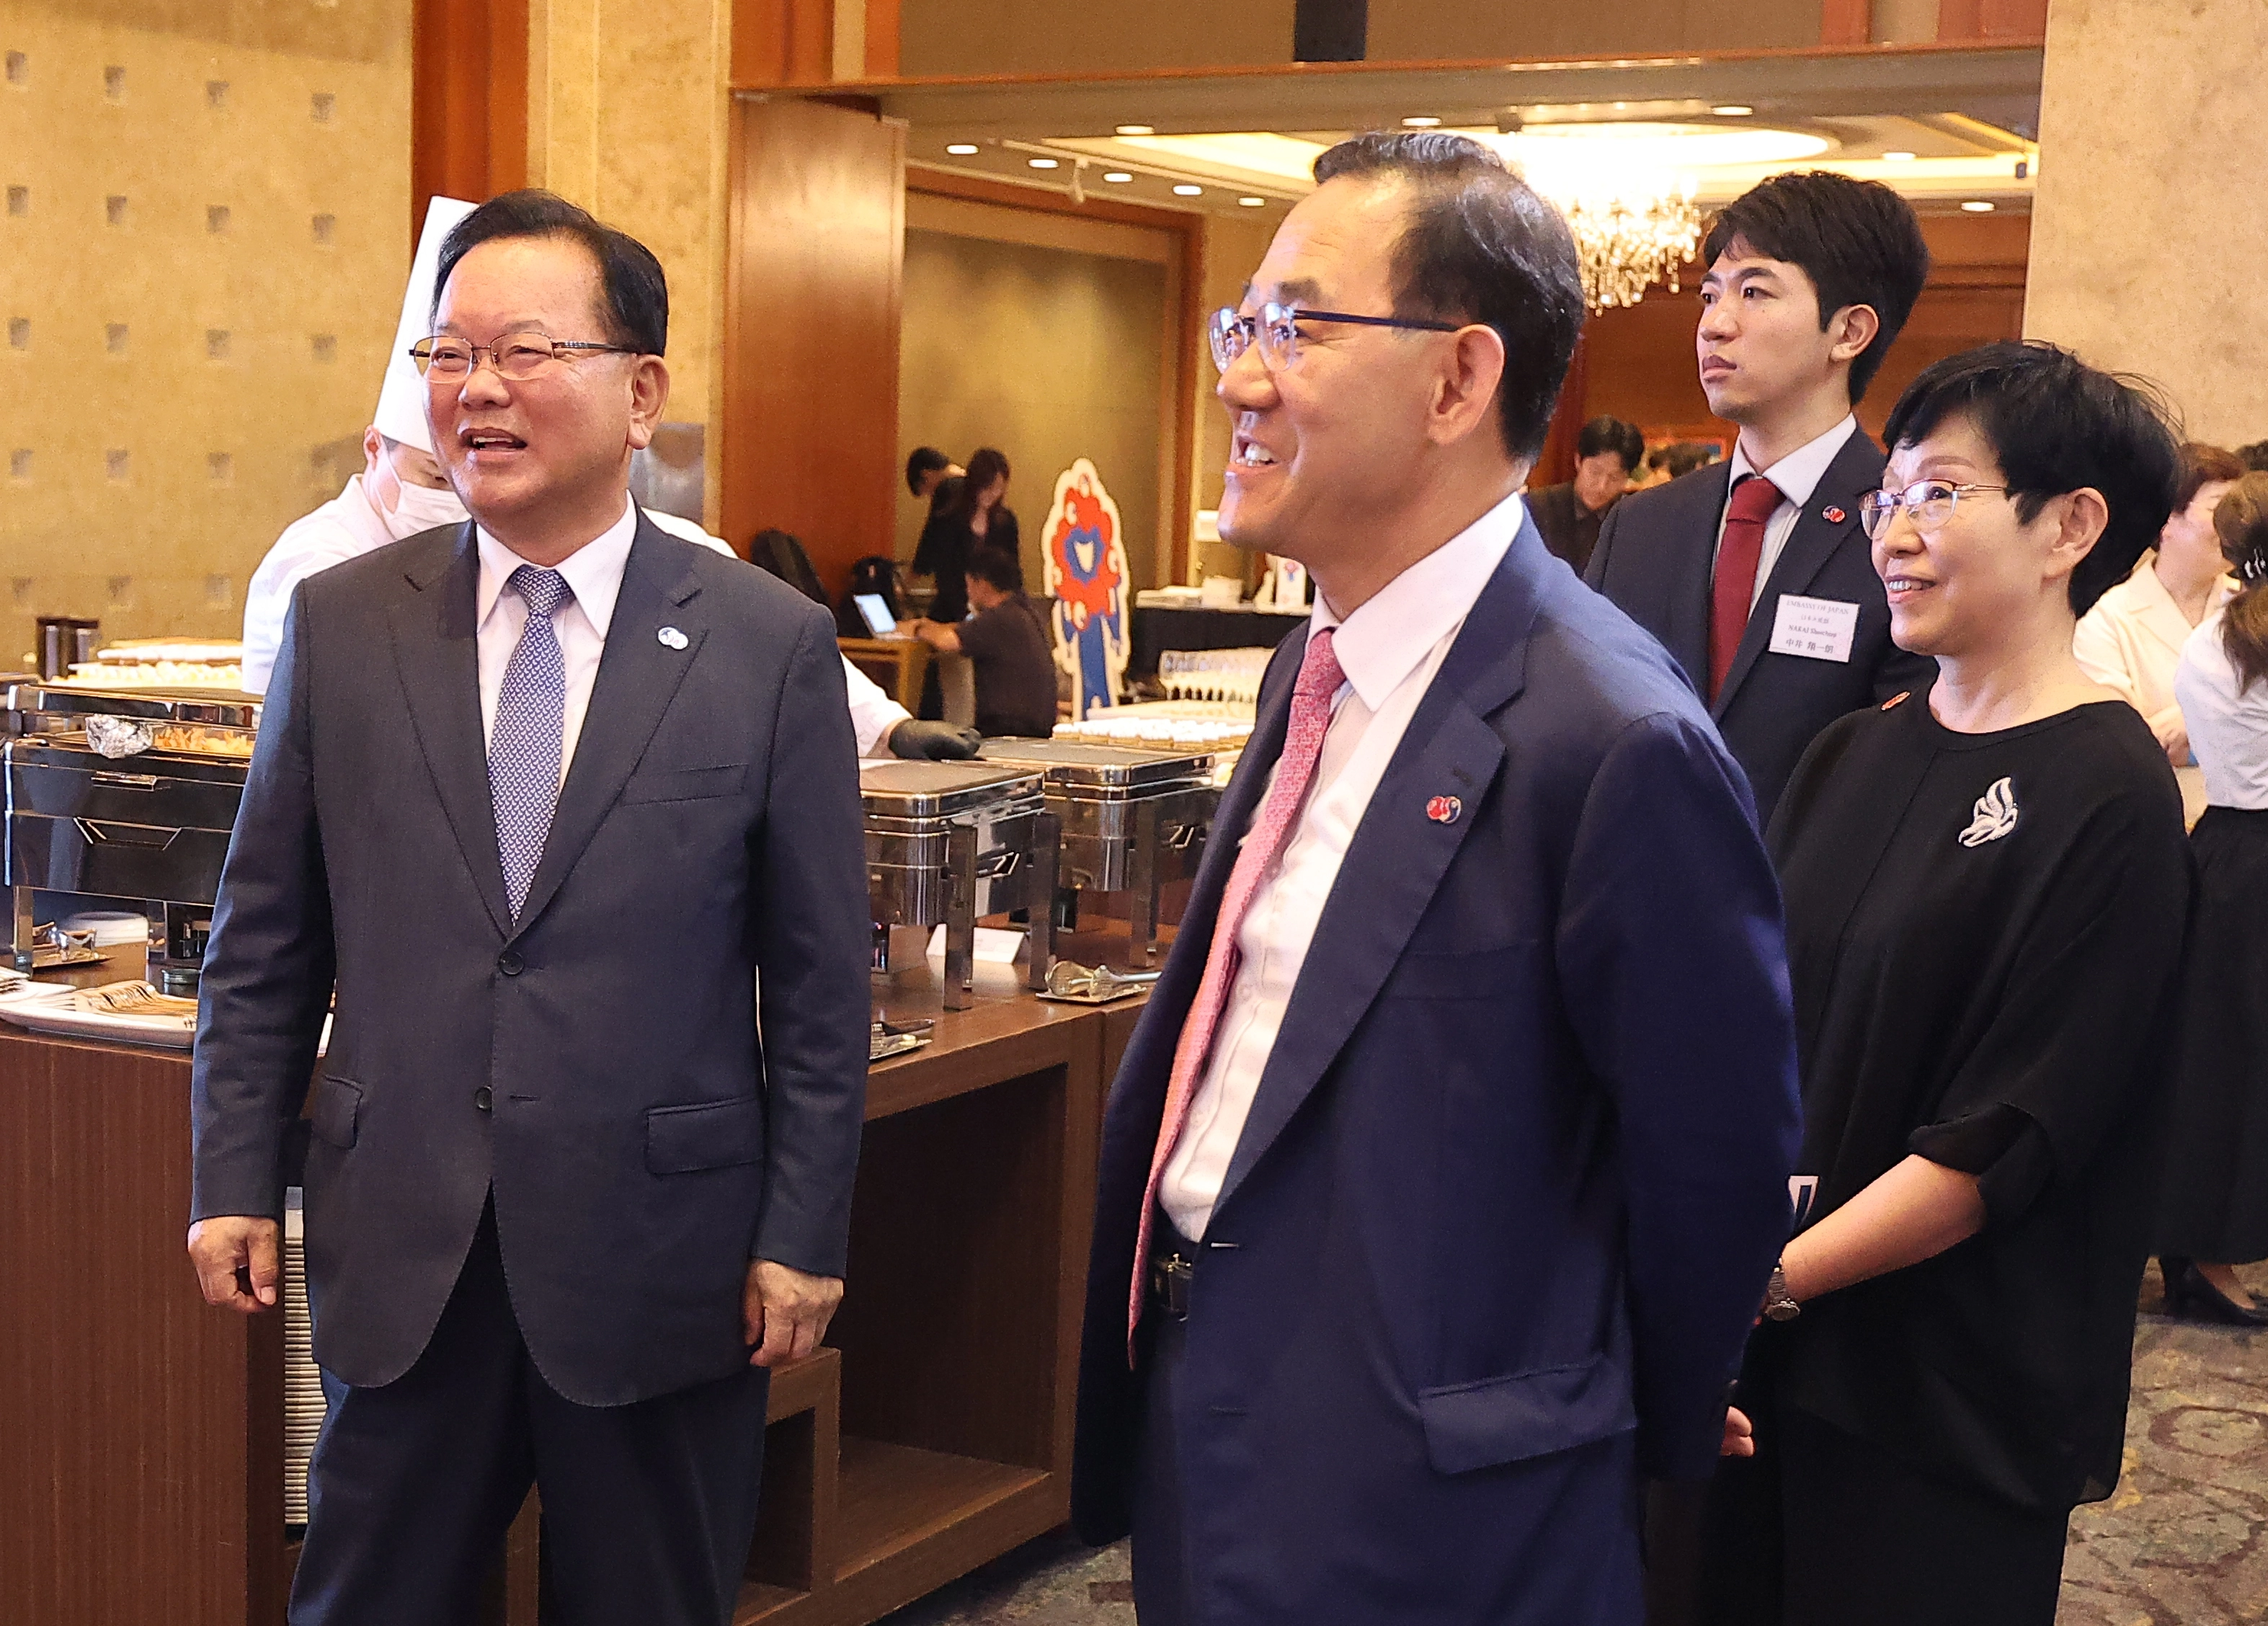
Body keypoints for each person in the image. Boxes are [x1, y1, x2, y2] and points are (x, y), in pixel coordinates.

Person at [1070, 130, 1802, 1626]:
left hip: (1444, 1513)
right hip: (1213, 1430)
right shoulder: (1311, 665)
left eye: (1295, 327)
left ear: (1459, 381)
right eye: (1240, 325)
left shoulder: (1612, 734)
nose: (1239, 377)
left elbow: (1710, 1164)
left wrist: (1599, 1430)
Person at [185, 190, 871, 1626]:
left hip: (659, 1255)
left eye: (522, 352)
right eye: (449, 353)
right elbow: (267, 938)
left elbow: (817, 983)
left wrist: (805, 1226)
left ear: (642, 393)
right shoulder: (348, 621)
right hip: (408, 1238)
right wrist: (233, 1175)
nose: (477, 389)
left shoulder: (764, 643)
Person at [1699, 342, 2191, 1626]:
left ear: (2067, 528)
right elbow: (1753, 1029)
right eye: (1888, 498)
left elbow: (2005, 1137)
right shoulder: (1846, 753)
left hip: (1938, 1393)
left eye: (1939, 494)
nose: (1894, 534)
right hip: (1764, 1352)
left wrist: (1762, 1274)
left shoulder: (2110, 793)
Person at [1587, 172, 1936, 825]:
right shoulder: (1640, 526)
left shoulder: (1908, 529)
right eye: (1709, 295)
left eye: (1754, 292)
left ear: (1849, 332)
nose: (1715, 326)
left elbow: (1902, 774)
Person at [241, 198, 476, 694]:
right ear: (374, 449)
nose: (449, 499)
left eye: (460, 480)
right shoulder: (317, 558)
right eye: (433, 477)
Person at [2158, 471, 2268, 1325]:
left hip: (2223, 852)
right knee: (2240, 1074)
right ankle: (2212, 1255)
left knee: (2219, 1067)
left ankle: (2205, 1249)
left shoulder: (2213, 637)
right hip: (2256, 856)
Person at [2073, 442, 2243, 822]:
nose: (2237, 525)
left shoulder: (2252, 609)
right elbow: (2122, 751)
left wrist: (2191, 723)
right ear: (2167, 520)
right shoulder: (2107, 622)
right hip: (2162, 823)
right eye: (2221, 510)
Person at [909, 545, 1058, 737]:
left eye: (969, 584)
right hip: (1032, 724)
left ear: (982, 584)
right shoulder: (1022, 611)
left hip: (1009, 728)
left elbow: (947, 642)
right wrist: (932, 625)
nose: (968, 592)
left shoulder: (999, 619)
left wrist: (917, 628)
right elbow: (963, 629)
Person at [911, 445, 1015, 628]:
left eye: (998, 488)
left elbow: (1011, 573)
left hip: (993, 612)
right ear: (975, 484)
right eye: (987, 487)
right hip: (951, 609)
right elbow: (943, 570)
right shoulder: (949, 519)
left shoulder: (1006, 522)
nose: (992, 494)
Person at [1529, 414, 1643, 571]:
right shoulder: (1538, 507)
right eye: (1595, 472)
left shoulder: (1631, 520)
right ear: (1578, 461)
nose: (1602, 486)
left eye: (1615, 478)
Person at [905, 444, 964, 517]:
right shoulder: (971, 482)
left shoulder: (945, 496)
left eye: (928, 492)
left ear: (926, 475)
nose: (932, 496)